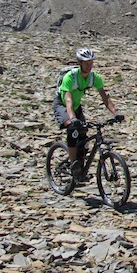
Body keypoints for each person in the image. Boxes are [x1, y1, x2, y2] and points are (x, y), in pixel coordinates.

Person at [53, 47, 122, 180]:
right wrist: (72, 118)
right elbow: (68, 100)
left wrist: (115, 113)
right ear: (80, 63)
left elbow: (104, 97)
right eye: (86, 63)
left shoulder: (94, 77)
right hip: (62, 105)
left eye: (91, 63)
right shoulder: (70, 77)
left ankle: (81, 169)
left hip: (76, 106)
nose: (89, 66)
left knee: (84, 136)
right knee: (73, 129)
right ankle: (74, 167)